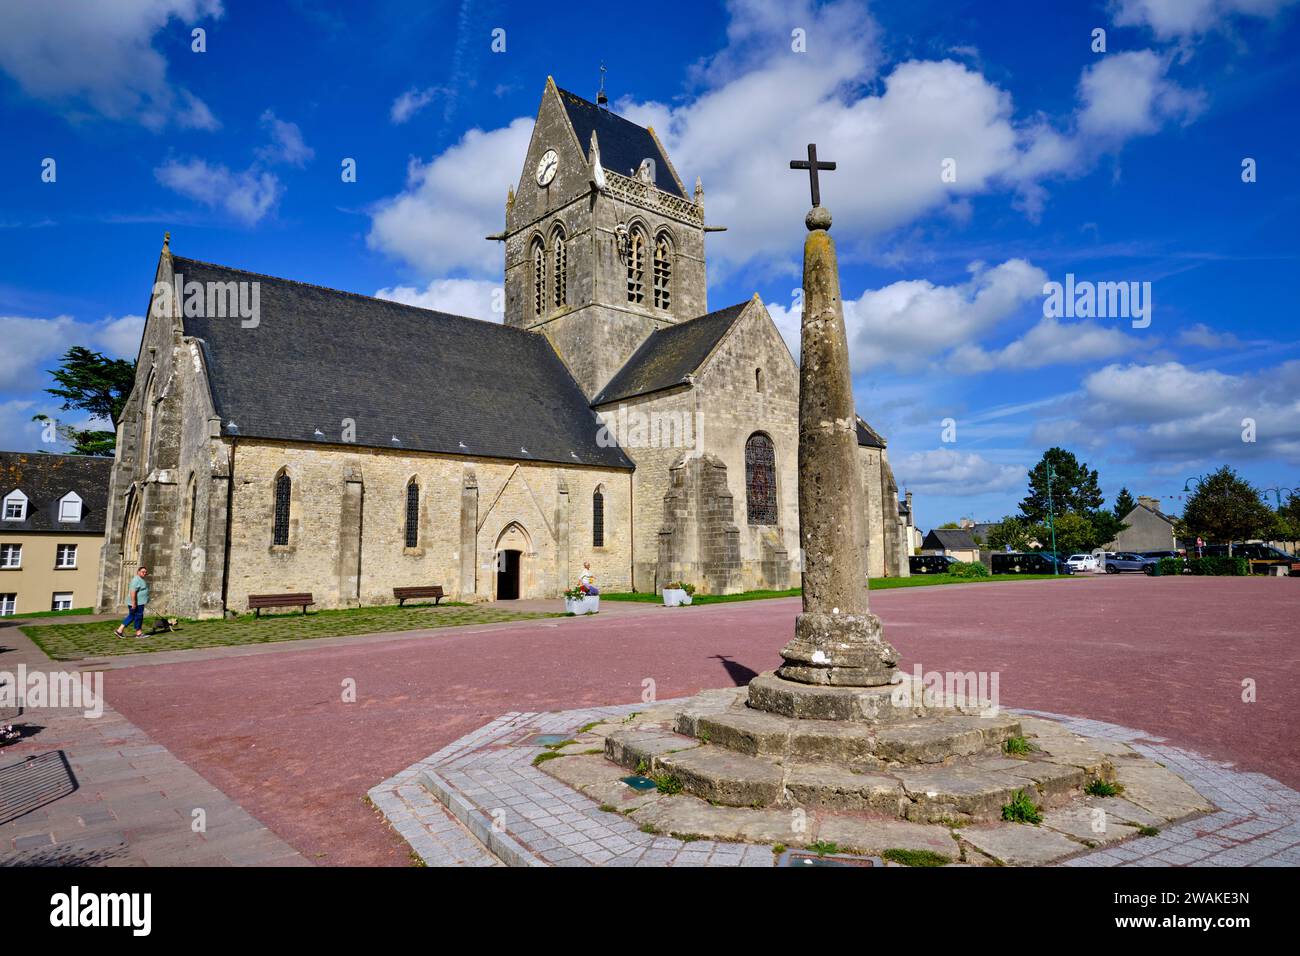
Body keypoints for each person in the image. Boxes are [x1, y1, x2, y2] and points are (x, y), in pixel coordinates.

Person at [115, 566, 150, 639]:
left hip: (139, 602)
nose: (144, 573)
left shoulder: (140, 579)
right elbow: (132, 592)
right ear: (138, 572)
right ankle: (138, 633)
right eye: (143, 572)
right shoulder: (136, 580)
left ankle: (119, 630)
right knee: (138, 617)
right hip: (136, 603)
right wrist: (134, 603)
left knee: (132, 616)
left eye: (145, 572)